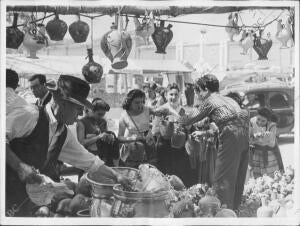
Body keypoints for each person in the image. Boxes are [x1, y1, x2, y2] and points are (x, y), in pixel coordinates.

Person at [6, 75, 129, 217]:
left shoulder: (62, 133)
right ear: (62, 103)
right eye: (78, 108)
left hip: (25, 199)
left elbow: (89, 161)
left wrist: (117, 176)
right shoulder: (31, 115)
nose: (81, 113)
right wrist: (19, 166)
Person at [179, 74, 249, 211]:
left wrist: (177, 116)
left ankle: (222, 213)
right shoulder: (228, 99)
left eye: (198, 92)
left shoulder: (211, 100)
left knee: (223, 178)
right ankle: (233, 210)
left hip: (231, 136)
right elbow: (229, 121)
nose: (198, 96)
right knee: (237, 177)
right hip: (244, 135)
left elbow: (188, 120)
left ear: (205, 89)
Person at [153, 83, 193, 187]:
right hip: (164, 148)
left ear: (180, 95)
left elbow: (189, 129)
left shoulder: (185, 111)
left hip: (179, 149)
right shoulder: (161, 110)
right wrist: (166, 128)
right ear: (166, 95)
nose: (173, 97)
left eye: (176, 95)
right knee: (164, 176)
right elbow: (154, 130)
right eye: (171, 94)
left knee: (180, 175)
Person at [118, 89, 168, 168]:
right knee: (133, 172)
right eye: (137, 102)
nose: (140, 105)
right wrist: (131, 138)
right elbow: (119, 138)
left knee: (150, 171)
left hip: (148, 145)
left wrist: (165, 111)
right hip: (133, 149)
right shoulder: (124, 115)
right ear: (129, 102)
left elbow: (158, 112)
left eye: (142, 101)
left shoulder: (146, 109)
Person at [77, 98, 119, 167]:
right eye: (99, 114)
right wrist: (98, 137)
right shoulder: (82, 123)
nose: (101, 117)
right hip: (88, 157)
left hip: (102, 156)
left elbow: (104, 137)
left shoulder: (103, 121)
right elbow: (81, 143)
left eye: (103, 114)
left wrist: (109, 137)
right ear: (91, 111)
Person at [249, 107, 284, 178]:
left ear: (268, 120)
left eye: (263, 121)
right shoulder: (252, 122)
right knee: (257, 177)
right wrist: (261, 140)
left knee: (271, 177)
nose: (259, 122)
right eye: (258, 119)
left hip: (269, 154)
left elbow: (272, 144)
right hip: (256, 153)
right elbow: (249, 140)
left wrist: (256, 140)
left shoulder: (272, 125)